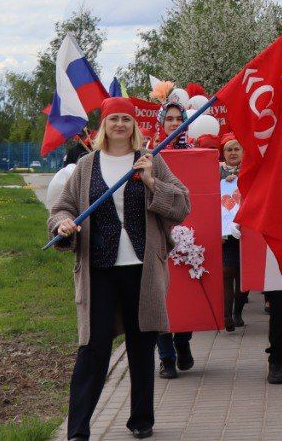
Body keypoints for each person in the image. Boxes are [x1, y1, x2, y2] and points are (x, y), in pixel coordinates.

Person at [49, 96, 192, 440]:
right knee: (93, 348)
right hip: (99, 270)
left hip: (142, 270)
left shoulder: (149, 162)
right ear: (103, 126)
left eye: (125, 120)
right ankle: (78, 429)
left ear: (134, 126)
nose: (119, 125)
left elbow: (183, 202)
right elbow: (61, 208)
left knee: (141, 346)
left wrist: (152, 183)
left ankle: (141, 420)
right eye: (113, 119)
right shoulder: (86, 166)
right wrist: (63, 224)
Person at [152, 95, 193, 379]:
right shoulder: (150, 155)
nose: (175, 123)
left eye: (179, 119)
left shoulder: (196, 152)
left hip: (191, 234)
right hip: (158, 231)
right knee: (158, 296)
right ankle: (166, 357)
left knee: (187, 292)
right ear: (161, 122)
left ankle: (183, 342)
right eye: (170, 119)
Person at [218, 132, 249, 331]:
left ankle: (238, 311)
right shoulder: (216, 172)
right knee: (226, 272)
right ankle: (226, 316)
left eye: (236, 149)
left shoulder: (251, 170)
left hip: (246, 232)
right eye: (229, 149)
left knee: (245, 277)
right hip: (225, 234)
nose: (233, 152)